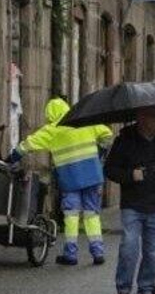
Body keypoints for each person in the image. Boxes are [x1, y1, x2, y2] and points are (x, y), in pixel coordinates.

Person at [15, 97, 113, 266]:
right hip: (92, 175)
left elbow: (27, 145)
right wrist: (100, 152)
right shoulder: (84, 121)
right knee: (92, 215)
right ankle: (98, 252)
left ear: (50, 115)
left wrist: (12, 157)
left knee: (71, 215)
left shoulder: (52, 130)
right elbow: (107, 134)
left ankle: (71, 254)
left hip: (70, 178)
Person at [103, 107, 155, 294]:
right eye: (153, 117)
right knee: (129, 247)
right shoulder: (125, 140)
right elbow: (110, 169)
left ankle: (145, 290)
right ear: (141, 118)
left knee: (153, 252)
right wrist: (130, 175)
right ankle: (123, 290)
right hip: (133, 205)